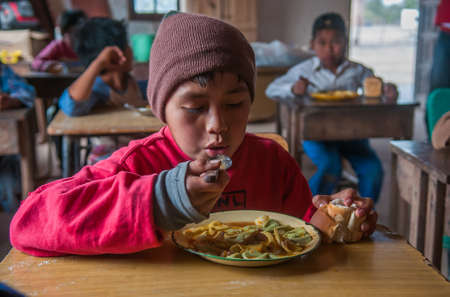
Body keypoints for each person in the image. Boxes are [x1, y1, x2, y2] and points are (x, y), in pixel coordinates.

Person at [10, 12, 377, 257]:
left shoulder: (272, 163)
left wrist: (336, 219)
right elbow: (29, 223)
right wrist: (160, 199)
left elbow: (303, 232)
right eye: (195, 108)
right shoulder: (138, 165)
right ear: (162, 110)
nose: (218, 124)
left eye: (234, 103)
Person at [266, 12, 397, 203]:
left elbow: (376, 89)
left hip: (353, 135)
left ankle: (364, 214)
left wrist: (388, 91)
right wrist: (293, 88)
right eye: (322, 42)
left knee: (373, 170)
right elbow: (272, 89)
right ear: (312, 45)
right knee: (330, 166)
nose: (329, 48)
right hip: (316, 135)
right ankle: (308, 209)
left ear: (345, 42)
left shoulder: (358, 71)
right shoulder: (304, 70)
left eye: (336, 41)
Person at [58, 17, 149, 163]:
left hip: (137, 151)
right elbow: (71, 106)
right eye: (127, 45)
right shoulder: (98, 88)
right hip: (109, 161)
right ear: (116, 56)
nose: (131, 50)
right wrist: (99, 62)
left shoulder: (130, 82)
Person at [0, 63, 35, 213]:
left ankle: (18, 218)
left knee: (11, 177)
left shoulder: (2, 71)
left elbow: (27, 92)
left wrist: (12, 101)